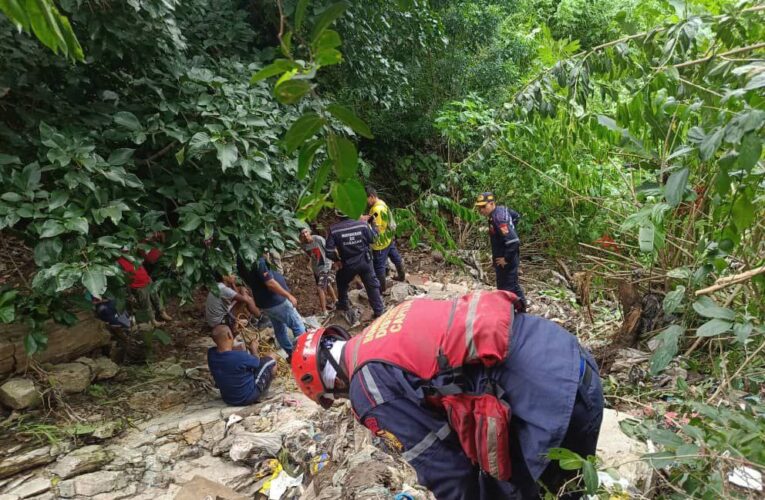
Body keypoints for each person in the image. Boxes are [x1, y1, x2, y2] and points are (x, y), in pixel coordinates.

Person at [290, 290, 603, 499]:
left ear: (329, 384)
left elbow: (443, 468)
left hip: (550, 404)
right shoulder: (387, 323)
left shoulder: (366, 387)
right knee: (571, 486)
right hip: (570, 358)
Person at [237, 255, 305, 358]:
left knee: (279, 328)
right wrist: (288, 295)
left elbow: (247, 280)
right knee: (297, 325)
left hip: (265, 303)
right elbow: (270, 283)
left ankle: (291, 354)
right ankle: (303, 355)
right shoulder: (257, 260)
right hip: (276, 301)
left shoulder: (241, 260)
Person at [325, 212, 384, 320]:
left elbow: (328, 251)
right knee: (371, 285)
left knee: (341, 281)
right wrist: (374, 226)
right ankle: (379, 311)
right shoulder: (362, 224)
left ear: (337, 215)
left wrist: (337, 260)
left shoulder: (334, 229)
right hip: (365, 261)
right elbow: (373, 239)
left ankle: (343, 305)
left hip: (348, 264)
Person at [475, 192, 527, 312]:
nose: (481, 210)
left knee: (508, 286)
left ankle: (520, 311)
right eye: (479, 207)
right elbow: (516, 216)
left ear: (492, 204)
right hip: (502, 254)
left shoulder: (498, 219)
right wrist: (511, 227)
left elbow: (514, 241)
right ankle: (513, 309)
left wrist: (506, 258)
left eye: (484, 207)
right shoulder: (499, 211)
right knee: (507, 285)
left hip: (507, 257)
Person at [207, 324, 277, 406]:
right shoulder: (239, 357)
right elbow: (257, 363)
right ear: (229, 335)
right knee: (272, 357)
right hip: (247, 398)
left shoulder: (211, 354)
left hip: (228, 399)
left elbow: (227, 350)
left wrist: (234, 334)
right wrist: (253, 349)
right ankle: (262, 393)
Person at [362, 187, 405, 294]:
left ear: (371, 196)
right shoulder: (381, 203)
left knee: (379, 266)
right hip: (388, 238)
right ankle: (401, 276)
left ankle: (382, 289)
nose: (366, 202)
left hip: (380, 242)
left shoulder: (377, 209)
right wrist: (366, 218)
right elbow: (375, 218)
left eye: (366, 199)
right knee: (395, 257)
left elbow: (377, 227)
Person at [117, 251, 172, 327]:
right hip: (137, 284)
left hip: (145, 277)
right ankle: (152, 321)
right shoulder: (117, 260)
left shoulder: (132, 253)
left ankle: (162, 312)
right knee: (146, 303)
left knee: (155, 296)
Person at [299, 228, 338, 315]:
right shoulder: (303, 245)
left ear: (309, 232)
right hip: (316, 268)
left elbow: (329, 249)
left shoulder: (318, 239)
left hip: (325, 265)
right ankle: (336, 301)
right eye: (302, 233)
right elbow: (310, 255)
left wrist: (334, 261)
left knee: (320, 287)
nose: (305, 235)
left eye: (306, 232)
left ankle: (324, 311)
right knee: (327, 284)